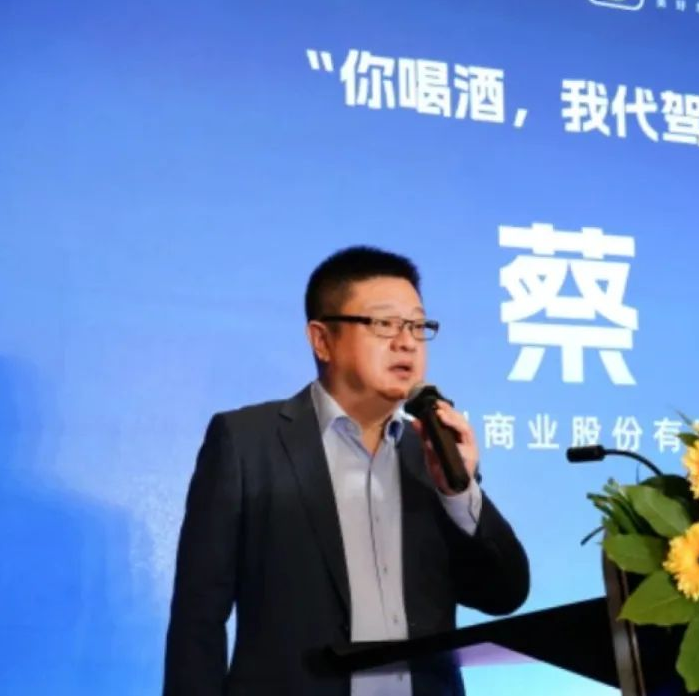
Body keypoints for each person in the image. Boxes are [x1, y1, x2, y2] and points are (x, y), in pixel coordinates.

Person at [163, 246, 530, 696]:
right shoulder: (246, 442)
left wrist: (459, 493)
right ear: (322, 340)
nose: (407, 342)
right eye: (384, 324)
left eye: (417, 326)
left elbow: (503, 594)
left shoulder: (433, 452)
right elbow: (198, 619)